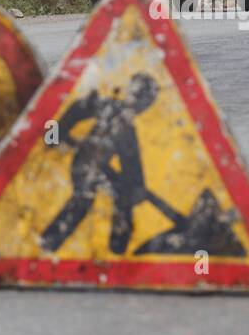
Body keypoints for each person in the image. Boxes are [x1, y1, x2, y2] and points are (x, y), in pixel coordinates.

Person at [39, 73, 160, 255]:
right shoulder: (107, 106)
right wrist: (53, 138)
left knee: (122, 197)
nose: (141, 105)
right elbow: (76, 109)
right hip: (84, 164)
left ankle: (118, 248)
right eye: (140, 98)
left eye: (145, 101)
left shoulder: (127, 128)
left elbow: (131, 162)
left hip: (101, 169)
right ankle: (48, 243)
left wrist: (136, 186)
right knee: (83, 200)